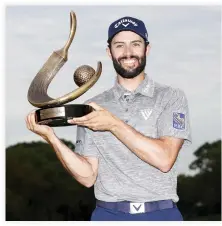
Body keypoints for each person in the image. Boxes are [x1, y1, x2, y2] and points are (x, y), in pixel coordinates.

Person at [26, 16, 192, 221]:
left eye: (136, 44)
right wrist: (51, 138)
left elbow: (164, 159)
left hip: (161, 214)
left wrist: (113, 124)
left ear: (147, 49)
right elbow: (87, 177)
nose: (128, 52)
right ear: (109, 52)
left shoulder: (171, 97)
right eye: (119, 45)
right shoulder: (93, 106)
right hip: (108, 215)